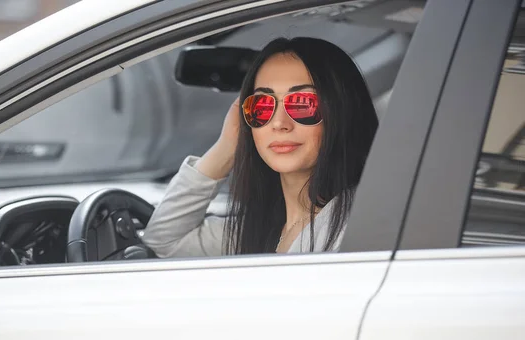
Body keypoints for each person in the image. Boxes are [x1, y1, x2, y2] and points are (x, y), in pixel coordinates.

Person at [142, 37, 378, 257]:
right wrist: (228, 144)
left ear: (342, 113)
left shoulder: (357, 225)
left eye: (303, 103)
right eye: (262, 105)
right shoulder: (260, 230)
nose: (278, 123)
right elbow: (164, 240)